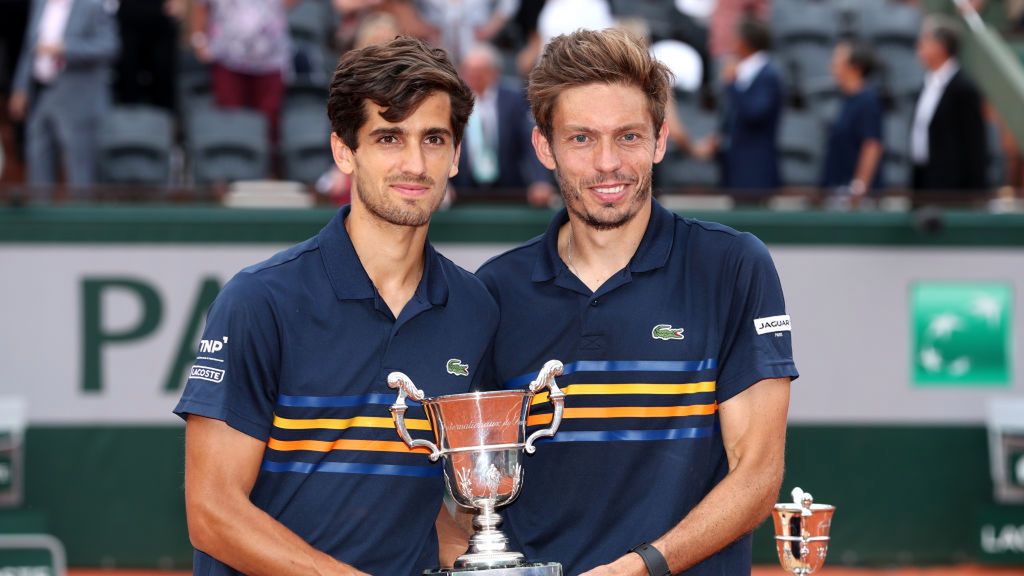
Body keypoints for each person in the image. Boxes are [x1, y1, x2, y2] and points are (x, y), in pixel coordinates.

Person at [475, 28, 796, 575]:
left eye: (628, 136)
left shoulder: (734, 267)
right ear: (543, 147)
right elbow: (469, 484)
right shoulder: (495, 289)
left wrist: (643, 567)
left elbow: (757, 474)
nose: (608, 164)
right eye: (581, 139)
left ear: (660, 140)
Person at [174, 36, 498, 575]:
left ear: (457, 154)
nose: (415, 164)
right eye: (389, 138)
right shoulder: (259, 300)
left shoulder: (474, 308)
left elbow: (420, 509)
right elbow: (212, 512)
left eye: (434, 139)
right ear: (344, 151)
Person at [8, 0, 119, 192]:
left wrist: (66, 48)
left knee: (79, 165)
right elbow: (31, 48)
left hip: (77, 96)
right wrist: (20, 87)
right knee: (38, 153)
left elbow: (109, 46)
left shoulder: (92, 5)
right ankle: (40, 217)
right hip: (43, 92)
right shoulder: (40, 4)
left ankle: (81, 218)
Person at [452, 43, 555, 207]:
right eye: (468, 71)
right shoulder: (452, 102)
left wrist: (540, 181)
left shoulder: (514, 99)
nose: (473, 76)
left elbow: (530, 140)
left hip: (509, 188)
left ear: (494, 73)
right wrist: (443, 185)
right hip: (461, 189)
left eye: (480, 71)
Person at [695, 16, 783, 195]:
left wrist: (732, 85)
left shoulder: (769, 75)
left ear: (746, 42)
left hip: (755, 168)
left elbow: (755, 113)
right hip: (734, 165)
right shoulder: (744, 71)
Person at [189, 0, 297, 145]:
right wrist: (199, 39)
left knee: (268, 123)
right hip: (227, 57)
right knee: (230, 120)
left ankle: (266, 164)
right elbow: (200, 6)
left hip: (270, 58)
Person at [910, 14, 988, 197]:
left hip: (953, 187)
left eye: (925, 42)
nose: (919, 48)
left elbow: (974, 143)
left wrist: (974, 192)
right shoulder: (925, 84)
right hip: (924, 178)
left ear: (941, 47)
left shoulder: (963, 88)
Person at [821, 40, 884, 203]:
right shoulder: (847, 100)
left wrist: (858, 187)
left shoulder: (867, 101)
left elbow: (872, 145)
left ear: (855, 67)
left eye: (838, 63)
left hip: (853, 196)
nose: (832, 68)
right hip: (837, 189)